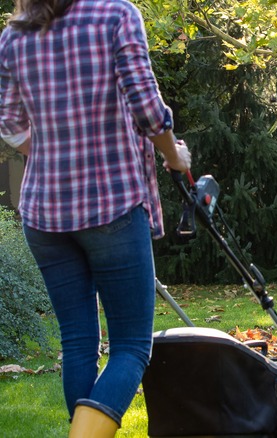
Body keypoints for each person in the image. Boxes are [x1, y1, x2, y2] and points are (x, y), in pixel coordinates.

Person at [0, 0, 191, 436]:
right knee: (131, 346)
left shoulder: (14, 35)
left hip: (44, 212)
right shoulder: (116, 15)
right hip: (111, 206)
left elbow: (10, 125)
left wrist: (56, 152)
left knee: (78, 340)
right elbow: (147, 110)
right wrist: (175, 156)